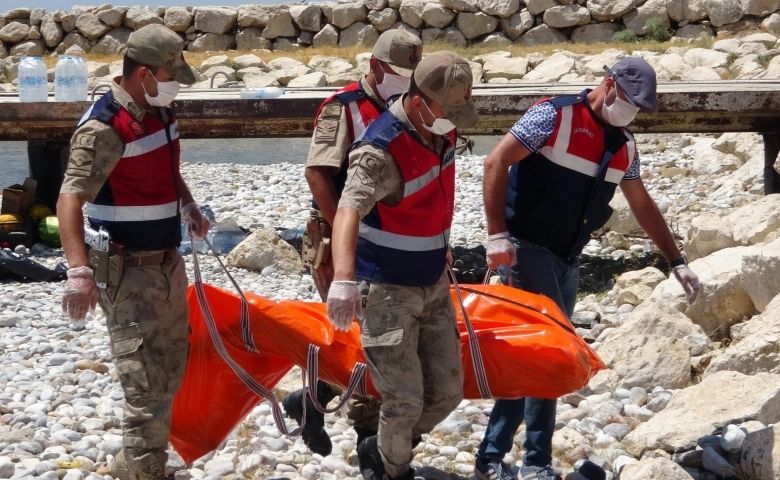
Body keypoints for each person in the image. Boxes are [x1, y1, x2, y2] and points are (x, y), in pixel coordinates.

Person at [475, 58, 702, 480]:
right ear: (608, 84)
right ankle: (536, 464)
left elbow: (642, 204)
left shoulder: (624, 145)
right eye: (630, 102)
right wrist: (496, 236)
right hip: (526, 247)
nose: (631, 113)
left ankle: (490, 457)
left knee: (533, 358)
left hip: (569, 257)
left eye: (639, 108)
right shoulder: (554, 116)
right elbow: (495, 163)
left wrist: (677, 262)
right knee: (553, 354)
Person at [57, 24, 207, 480]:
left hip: (167, 263)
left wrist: (188, 203)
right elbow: (69, 198)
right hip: (128, 273)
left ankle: (137, 463)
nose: (176, 82)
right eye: (170, 73)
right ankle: (144, 469)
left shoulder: (160, 111)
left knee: (171, 367)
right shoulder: (103, 128)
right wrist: (78, 270)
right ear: (143, 74)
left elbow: (165, 167)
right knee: (144, 382)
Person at [326, 51, 480, 480]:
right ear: (418, 103)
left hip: (432, 281)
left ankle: (385, 446)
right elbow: (347, 210)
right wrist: (342, 280)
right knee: (404, 401)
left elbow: (431, 197)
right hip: (388, 288)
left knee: (447, 394)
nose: (455, 121)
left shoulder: (438, 130)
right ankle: (394, 471)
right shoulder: (380, 150)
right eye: (449, 112)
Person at [284, 29, 423, 456]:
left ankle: (311, 399)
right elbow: (317, 173)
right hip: (340, 238)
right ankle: (369, 443)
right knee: (370, 338)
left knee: (375, 336)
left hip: (391, 238)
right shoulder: (343, 109)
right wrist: (346, 232)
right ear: (375, 67)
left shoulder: (408, 106)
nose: (407, 81)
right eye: (400, 73)